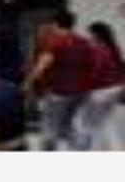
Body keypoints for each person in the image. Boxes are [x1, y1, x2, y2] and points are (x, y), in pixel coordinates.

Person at [23, 9, 95, 151]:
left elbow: (42, 65)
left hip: (58, 93)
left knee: (50, 128)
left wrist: (28, 83)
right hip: (80, 93)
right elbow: (92, 65)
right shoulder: (84, 42)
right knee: (68, 126)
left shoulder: (54, 41)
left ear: (55, 24)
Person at [78, 21, 125, 150]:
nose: (88, 36)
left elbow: (95, 71)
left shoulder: (98, 48)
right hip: (114, 89)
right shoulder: (113, 47)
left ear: (96, 34)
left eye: (90, 33)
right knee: (105, 122)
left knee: (86, 123)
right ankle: (117, 148)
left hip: (101, 90)